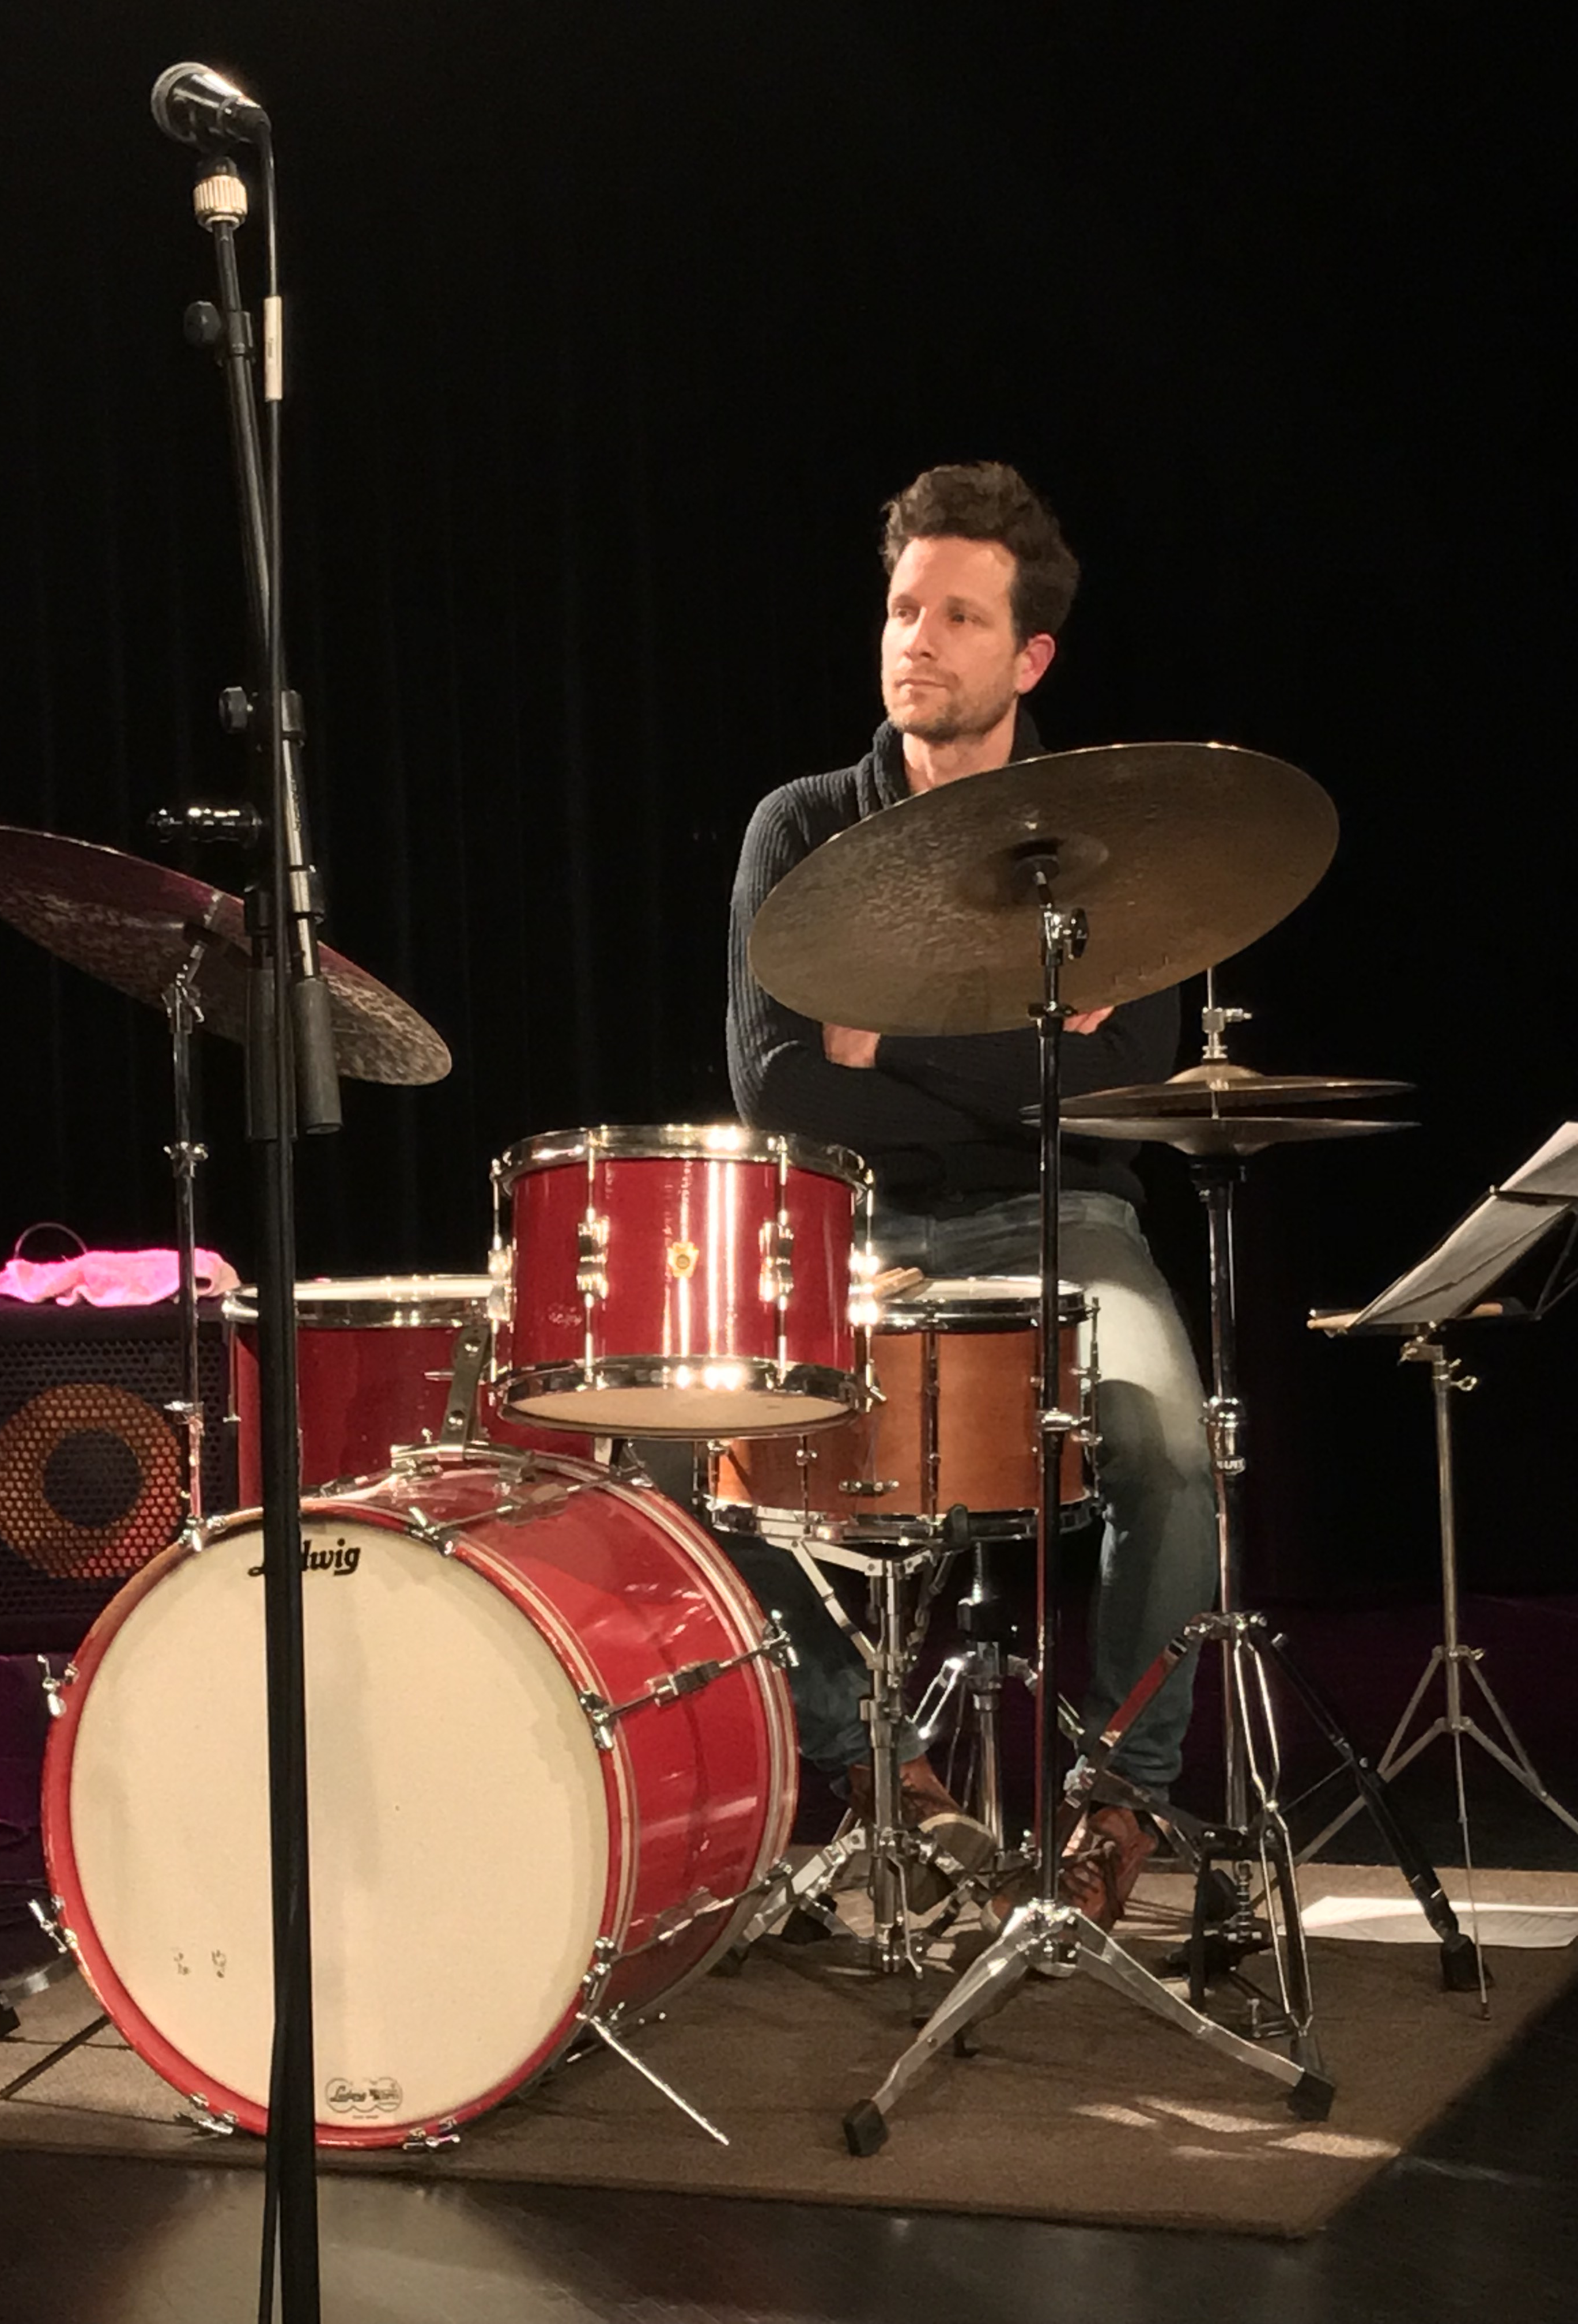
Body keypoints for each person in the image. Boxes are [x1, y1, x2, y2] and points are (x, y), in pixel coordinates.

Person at [722, 459, 1218, 1928]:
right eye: (902, 610)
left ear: (1030, 656)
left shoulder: (1106, 837)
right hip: (856, 1229)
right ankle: (890, 1778)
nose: (915, 642)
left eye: (957, 617)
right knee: (698, 1456)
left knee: (1171, 1453)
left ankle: (1119, 1804)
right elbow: (778, 1087)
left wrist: (889, 1041)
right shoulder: (801, 827)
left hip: (1068, 1223)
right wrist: (1016, 1060)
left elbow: (1116, 1083)